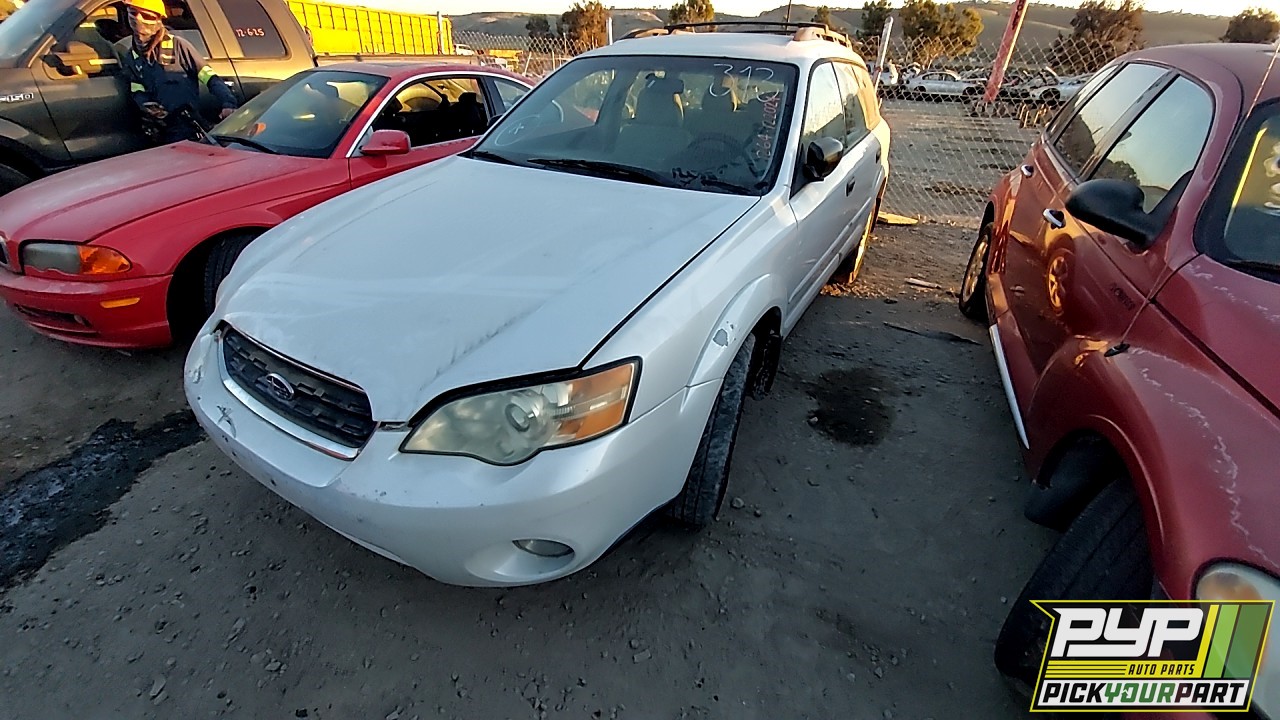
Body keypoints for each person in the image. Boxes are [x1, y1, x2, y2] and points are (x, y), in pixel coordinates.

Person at [114, 0, 238, 144]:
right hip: (161, 131)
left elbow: (210, 77)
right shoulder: (133, 57)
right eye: (133, 13)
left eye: (146, 16)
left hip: (187, 126)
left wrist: (228, 103)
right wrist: (146, 105)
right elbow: (137, 88)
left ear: (158, 20)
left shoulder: (178, 46)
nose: (139, 19)